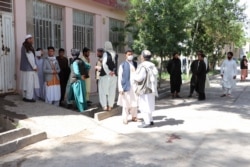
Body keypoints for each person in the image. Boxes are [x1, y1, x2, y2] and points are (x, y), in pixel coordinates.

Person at [134, 50, 158, 128]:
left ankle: (147, 122)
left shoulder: (143, 66)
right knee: (150, 105)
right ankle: (150, 120)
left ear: (142, 57)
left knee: (143, 106)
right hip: (152, 88)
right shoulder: (152, 66)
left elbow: (139, 78)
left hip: (144, 89)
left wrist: (133, 75)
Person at [117, 50, 138, 124]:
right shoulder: (122, 65)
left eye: (131, 54)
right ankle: (125, 118)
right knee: (126, 103)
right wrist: (120, 88)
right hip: (126, 86)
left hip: (134, 87)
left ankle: (134, 116)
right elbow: (120, 77)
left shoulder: (135, 64)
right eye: (129, 54)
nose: (130, 55)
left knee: (135, 102)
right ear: (125, 55)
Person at [98, 41, 118, 111]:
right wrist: (112, 72)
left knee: (102, 91)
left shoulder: (105, 54)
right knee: (112, 91)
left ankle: (104, 106)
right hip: (114, 75)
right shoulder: (115, 54)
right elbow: (115, 65)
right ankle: (110, 106)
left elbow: (104, 64)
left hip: (106, 75)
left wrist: (109, 72)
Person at [20, 34, 39, 102]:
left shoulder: (23, 46)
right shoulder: (28, 47)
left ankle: (24, 96)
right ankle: (29, 97)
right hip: (29, 69)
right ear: (28, 40)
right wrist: (34, 67)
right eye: (31, 39)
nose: (32, 40)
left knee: (24, 83)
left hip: (24, 68)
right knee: (29, 83)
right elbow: (30, 58)